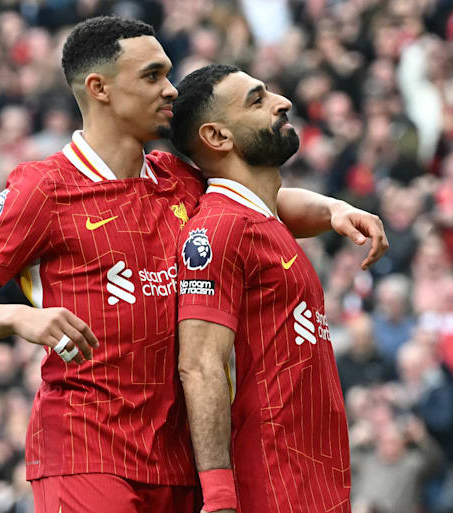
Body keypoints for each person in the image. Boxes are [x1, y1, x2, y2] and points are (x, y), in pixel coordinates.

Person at [0, 16, 388, 513]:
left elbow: (260, 208)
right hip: (87, 451)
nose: (170, 90)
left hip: (180, 460)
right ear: (100, 89)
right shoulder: (43, 189)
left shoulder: (176, 176)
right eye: (152, 76)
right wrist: (20, 318)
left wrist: (334, 209)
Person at [172, 64, 360, 513]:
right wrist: (219, 495)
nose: (283, 102)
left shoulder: (264, 221)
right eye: (257, 100)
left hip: (317, 472)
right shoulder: (218, 229)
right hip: (274, 477)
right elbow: (199, 365)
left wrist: (334, 208)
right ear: (218, 138)